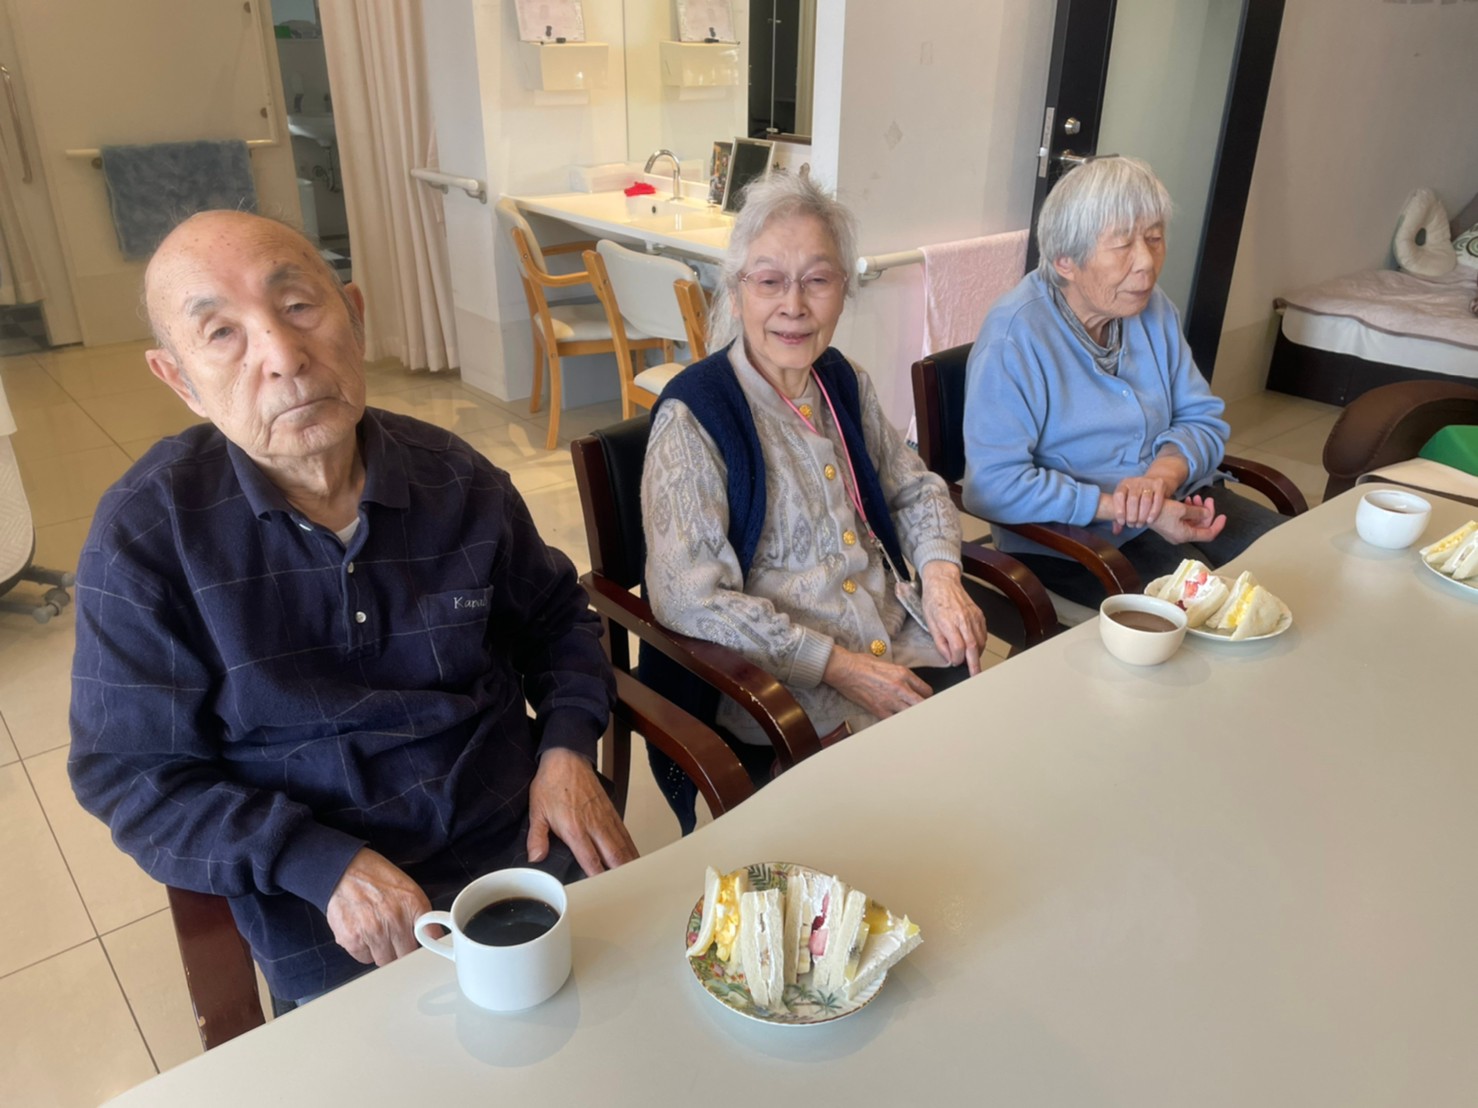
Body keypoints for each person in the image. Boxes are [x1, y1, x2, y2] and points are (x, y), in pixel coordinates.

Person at [67, 211, 637, 1010]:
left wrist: (567, 750)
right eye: (222, 332)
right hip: (323, 900)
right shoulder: (148, 536)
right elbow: (130, 775)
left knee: (627, 1021)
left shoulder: (456, 478)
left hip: (518, 835)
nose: (283, 355)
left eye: (299, 305)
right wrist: (315, 862)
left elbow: (555, 618)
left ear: (356, 317)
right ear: (179, 379)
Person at [641, 173, 986, 828]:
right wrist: (840, 668)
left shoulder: (842, 380)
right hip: (780, 694)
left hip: (899, 642)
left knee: (982, 794)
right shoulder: (695, 416)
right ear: (737, 291)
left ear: (843, 290)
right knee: (899, 832)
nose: (794, 305)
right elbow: (688, 597)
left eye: (817, 280)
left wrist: (942, 578)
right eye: (770, 281)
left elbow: (913, 486)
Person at [960, 156, 1286, 607]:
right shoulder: (1015, 337)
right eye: (1122, 245)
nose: (1147, 263)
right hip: (1070, 539)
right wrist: (1125, 506)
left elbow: (1202, 419)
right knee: (1213, 610)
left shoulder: (1153, 308)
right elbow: (993, 487)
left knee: (1294, 565)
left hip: (1175, 498)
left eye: (1154, 238)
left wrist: (1158, 481)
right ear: (1065, 260)